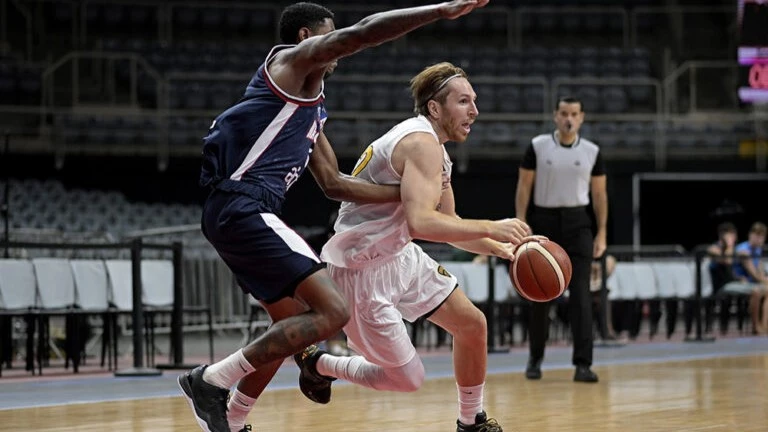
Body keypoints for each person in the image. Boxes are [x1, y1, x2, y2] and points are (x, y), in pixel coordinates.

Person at [177, 2, 492, 432]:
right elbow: (361, 32)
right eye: (331, 37)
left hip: (246, 213)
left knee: (293, 326)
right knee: (333, 312)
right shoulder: (287, 63)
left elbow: (333, 183)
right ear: (309, 38)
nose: (339, 50)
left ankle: (231, 420)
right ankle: (211, 379)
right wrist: (439, 11)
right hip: (243, 206)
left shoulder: (310, 108)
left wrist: (405, 195)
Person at [294, 62, 529, 432]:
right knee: (407, 379)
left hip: (399, 256)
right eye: (464, 101)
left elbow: (448, 226)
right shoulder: (420, 143)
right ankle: (319, 364)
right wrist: (494, 226)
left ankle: (472, 421)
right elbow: (422, 223)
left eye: (475, 101)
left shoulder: (435, 149)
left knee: (472, 325)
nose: (475, 111)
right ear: (435, 108)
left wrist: (499, 246)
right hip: (361, 271)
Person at [514, 96, 607, 383]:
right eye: (564, 113)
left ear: (582, 118)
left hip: (579, 223)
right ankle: (535, 358)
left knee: (581, 295)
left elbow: (600, 195)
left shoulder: (592, 151)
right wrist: (521, 224)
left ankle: (583, 364)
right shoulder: (538, 146)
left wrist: (601, 231)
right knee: (540, 293)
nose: (569, 118)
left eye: (574, 114)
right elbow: (524, 186)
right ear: (555, 116)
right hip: (544, 220)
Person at [726, 222, 768, 334]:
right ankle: (756, 327)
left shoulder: (758, 250)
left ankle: (765, 326)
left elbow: (759, 269)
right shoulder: (743, 250)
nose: (759, 239)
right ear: (750, 235)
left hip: (752, 282)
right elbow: (753, 273)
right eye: (757, 235)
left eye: (762, 236)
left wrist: (765, 279)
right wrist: (764, 281)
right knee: (757, 292)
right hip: (740, 281)